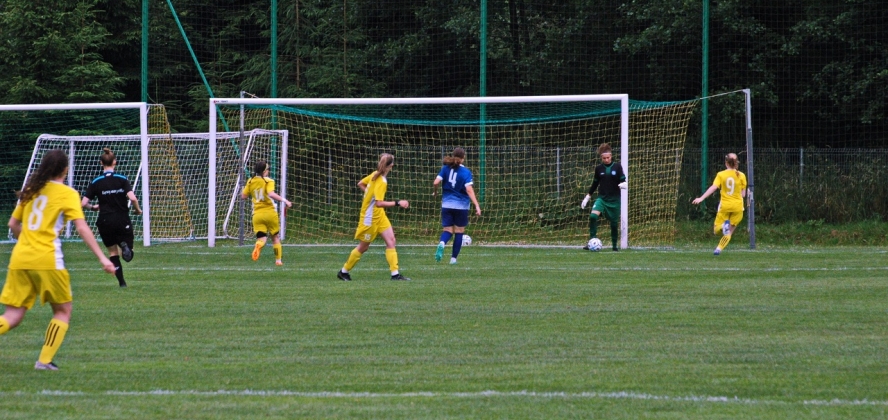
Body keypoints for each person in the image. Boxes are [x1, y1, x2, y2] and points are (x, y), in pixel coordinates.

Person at [0, 149, 115, 371]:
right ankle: (44, 361)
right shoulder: (67, 194)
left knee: (12, 315)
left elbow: (13, 225)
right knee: (62, 311)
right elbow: (81, 227)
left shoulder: (31, 191)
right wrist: (103, 258)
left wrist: (28, 243)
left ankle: (44, 362)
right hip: (47, 259)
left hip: (20, 257)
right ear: (65, 169)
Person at [337, 153, 411, 281]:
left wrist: (369, 194)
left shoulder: (375, 174)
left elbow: (360, 183)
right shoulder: (380, 180)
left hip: (379, 216)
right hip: (370, 218)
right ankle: (344, 271)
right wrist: (398, 203)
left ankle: (395, 274)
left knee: (391, 241)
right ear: (391, 165)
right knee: (363, 247)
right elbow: (379, 203)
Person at [81, 148, 143, 287]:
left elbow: (84, 203)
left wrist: (93, 208)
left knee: (113, 253)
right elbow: (132, 198)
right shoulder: (122, 179)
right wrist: (137, 210)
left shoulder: (96, 181)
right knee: (128, 255)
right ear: (115, 162)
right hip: (122, 219)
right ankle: (124, 244)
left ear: (101, 163)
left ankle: (122, 283)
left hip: (104, 220)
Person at [432, 147, 481, 264]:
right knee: (459, 231)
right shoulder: (466, 172)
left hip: (447, 205)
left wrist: (436, 191)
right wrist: (477, 205)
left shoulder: (445, 168)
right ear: (463, 158)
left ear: (453, 156)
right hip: (461, 207)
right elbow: (469, 190)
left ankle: (442, 243)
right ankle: (453, 259)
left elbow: (435, 182)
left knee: (447, 230)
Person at [692, 152, 748, 255]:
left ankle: (723, 227)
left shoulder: (721, 174)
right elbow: (743, 195)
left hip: (725, 206)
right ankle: (718, 249)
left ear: (726, 162)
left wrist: (701, 198)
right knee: (729, 232)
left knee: (716, 230)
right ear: (736, 163)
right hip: (738, 207)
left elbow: (713, 187)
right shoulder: (742, 175)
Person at [241, 160, 292, 266]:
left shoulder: (250, 181)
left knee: (261, 238)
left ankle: (259, 245)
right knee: (275, 238)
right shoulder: (268, 181)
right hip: (270, 213)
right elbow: (271, 194)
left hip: (257, 214)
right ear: (264, 171)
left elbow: (243, 196)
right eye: (268, 169)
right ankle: (278, 261)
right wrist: (284, 200)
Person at [581, 143, 627, 251]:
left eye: (608, 157)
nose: (606, 160)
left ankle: (614, 246)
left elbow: (623, 180)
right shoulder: (598, 169)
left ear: (611, 156)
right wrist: (588, 196)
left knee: (614, 223)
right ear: (601, 158)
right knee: (593, 216)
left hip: (614, 200)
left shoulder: (617, 166)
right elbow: (595, 183)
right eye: (604, 158)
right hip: (602, 198)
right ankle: (592, 241)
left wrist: (624, 184)